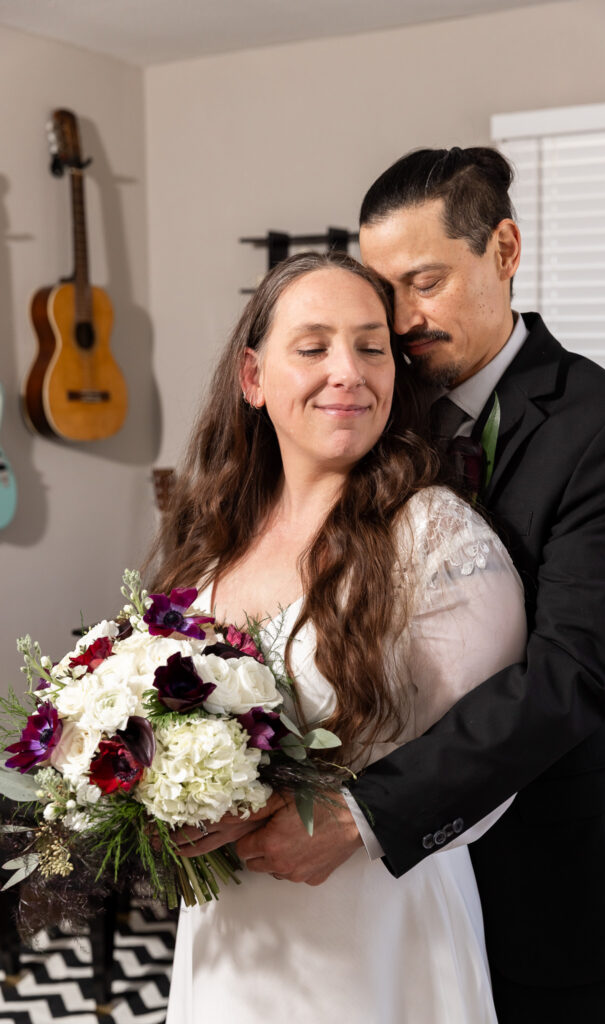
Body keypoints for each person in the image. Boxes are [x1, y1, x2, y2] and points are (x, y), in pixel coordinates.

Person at [232, 149, 605, 1024]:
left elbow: (573, 675)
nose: (399, 320)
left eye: (425, 281)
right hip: (382, 915)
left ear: (504, 249)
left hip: (555, 894)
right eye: (383, 291)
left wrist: (364, 816)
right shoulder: (368, 402)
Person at [155, 250, 527, 1023]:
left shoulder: (435, 536)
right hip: (233, 932)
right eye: (313, 346)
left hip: (378, 932)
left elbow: (491, 757)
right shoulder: (214, 541)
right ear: (253, 378)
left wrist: (351, 823)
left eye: (370, 346)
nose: (348, 372)